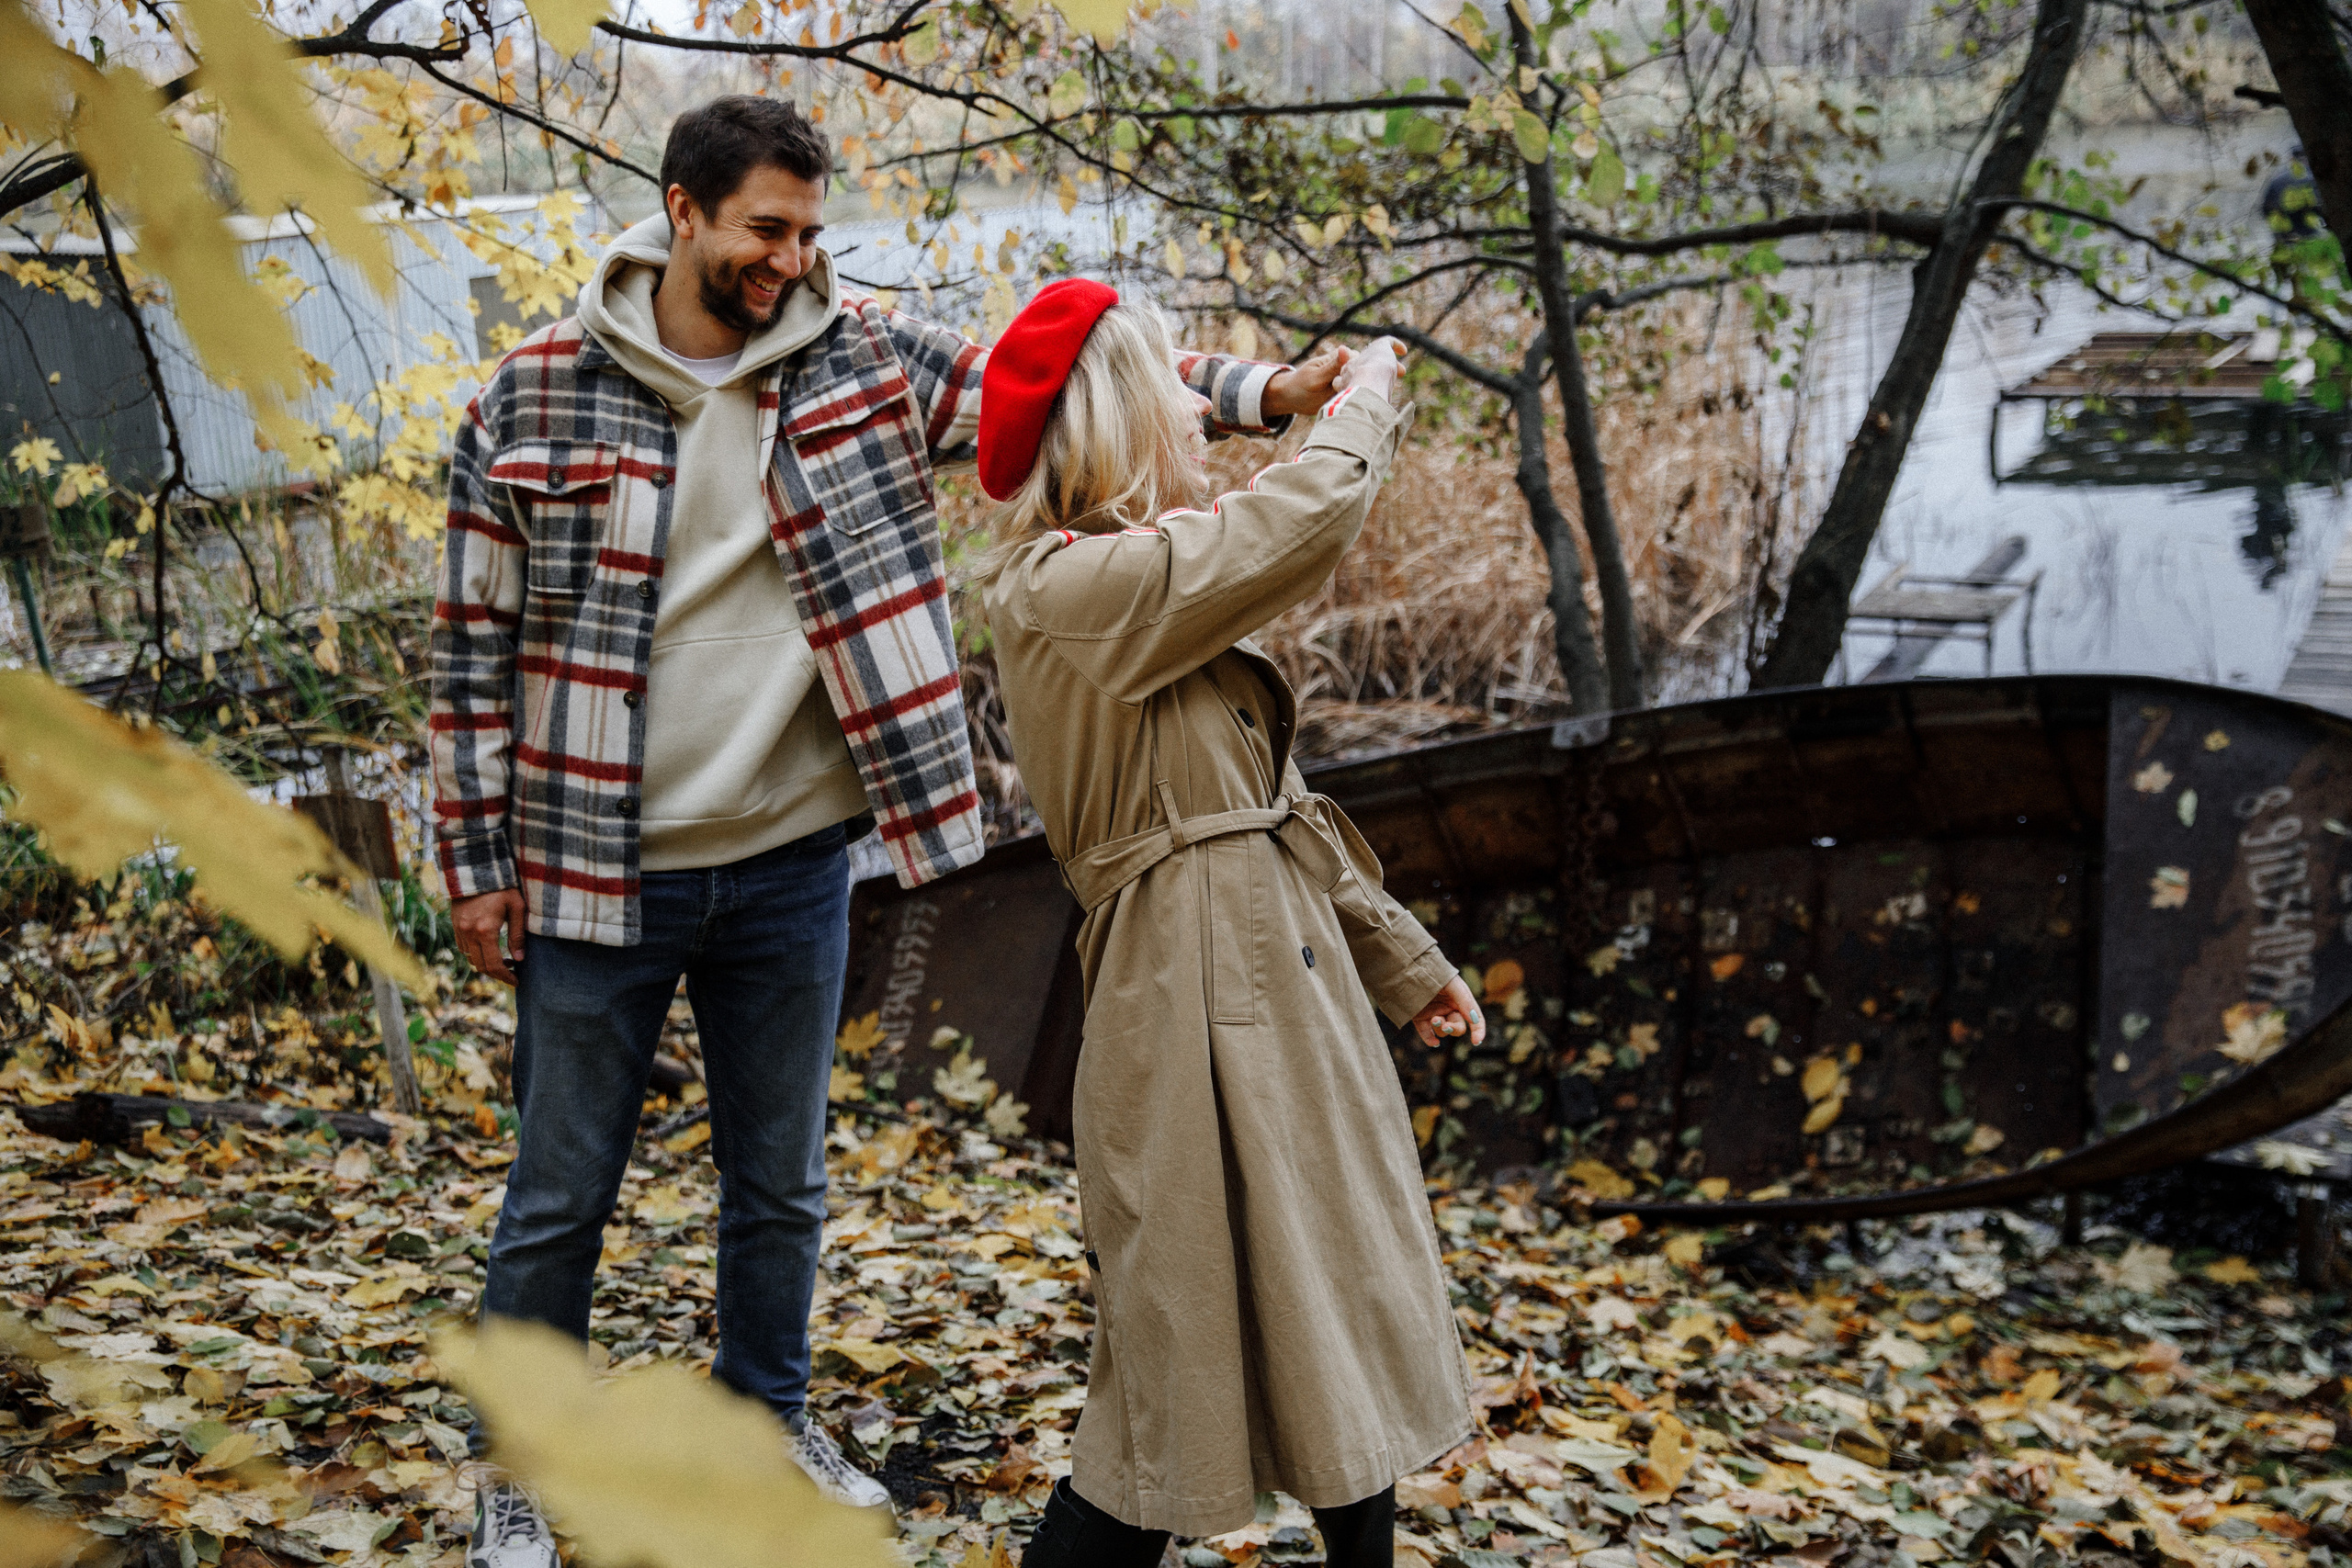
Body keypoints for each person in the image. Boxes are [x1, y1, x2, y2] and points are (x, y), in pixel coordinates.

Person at [428, 97, 1351, 1568]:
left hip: (796, 862)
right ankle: (520, 1473)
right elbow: (471, 654)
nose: (791, 262)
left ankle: (762, 1418)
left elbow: (1055, 376)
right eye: (763, 232)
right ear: (681, 214)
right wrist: (473, 871)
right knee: (558, 1194)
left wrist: (1260, 393)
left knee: (781, 1181)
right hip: (599, 869)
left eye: (810, 232)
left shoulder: (858, 357)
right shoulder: (535, 396)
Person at [973, 280, 1486, 1567]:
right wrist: (1355, 418)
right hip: (1183, 1009)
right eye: (1180, 395)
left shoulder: (1146, 583)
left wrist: (1397, 957)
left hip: (1284, 992)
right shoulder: (1062, 588)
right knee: (1166, 1380)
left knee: (1341, 1328)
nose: (1205, 417)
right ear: (1123, 417)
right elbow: (1283, 529)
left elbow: (1272, 802)